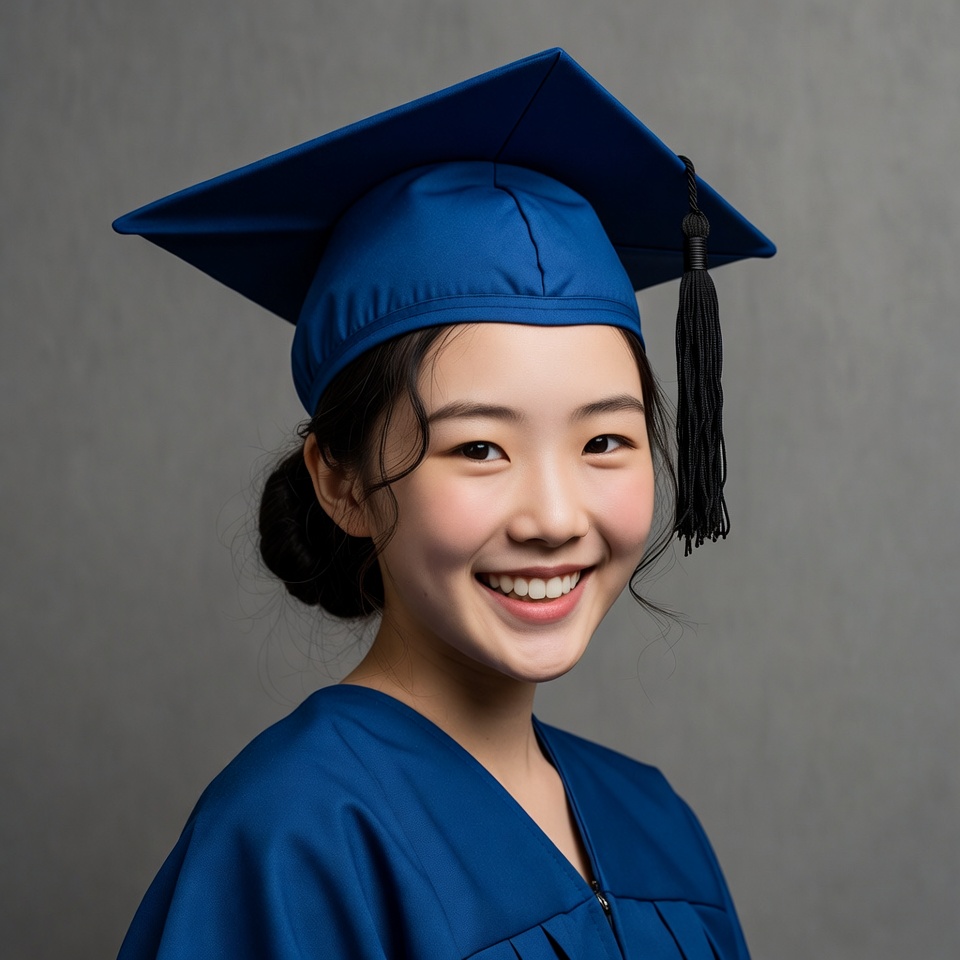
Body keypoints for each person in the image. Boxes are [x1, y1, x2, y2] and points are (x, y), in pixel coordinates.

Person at [113, 48, 774, 960]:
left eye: (605, 442)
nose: (553, 515)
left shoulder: (656, 821)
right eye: (479, 447)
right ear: (341, 481)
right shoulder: (290, 839)